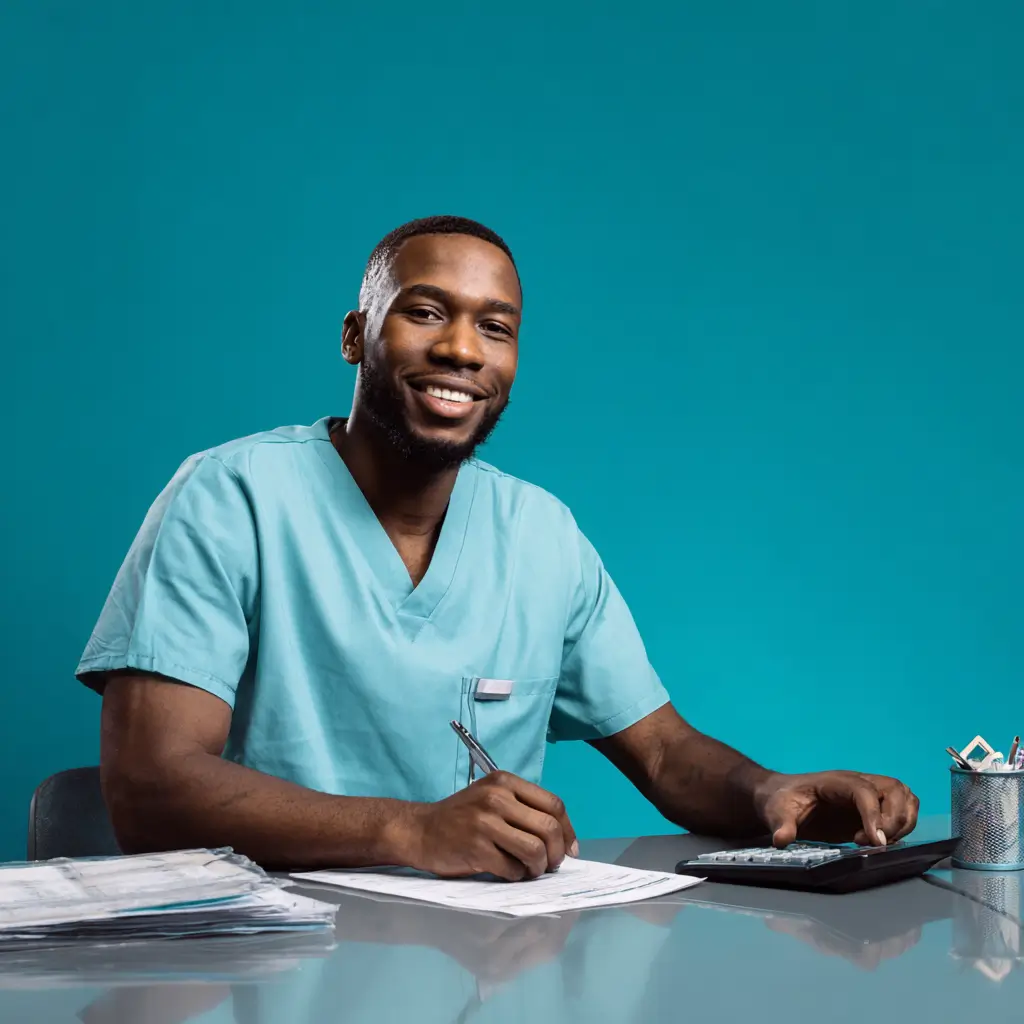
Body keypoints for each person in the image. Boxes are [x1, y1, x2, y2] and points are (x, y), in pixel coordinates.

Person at [78, 215, 919, 878]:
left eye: (496, 327)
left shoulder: (541, 534)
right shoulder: (232, 496)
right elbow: (151, 786)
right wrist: (411, 828)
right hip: (277, 954)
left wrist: (772, 791)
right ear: (354, 334)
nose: (460, 349)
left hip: (484, 969)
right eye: (426, 312)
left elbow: (663, 751)